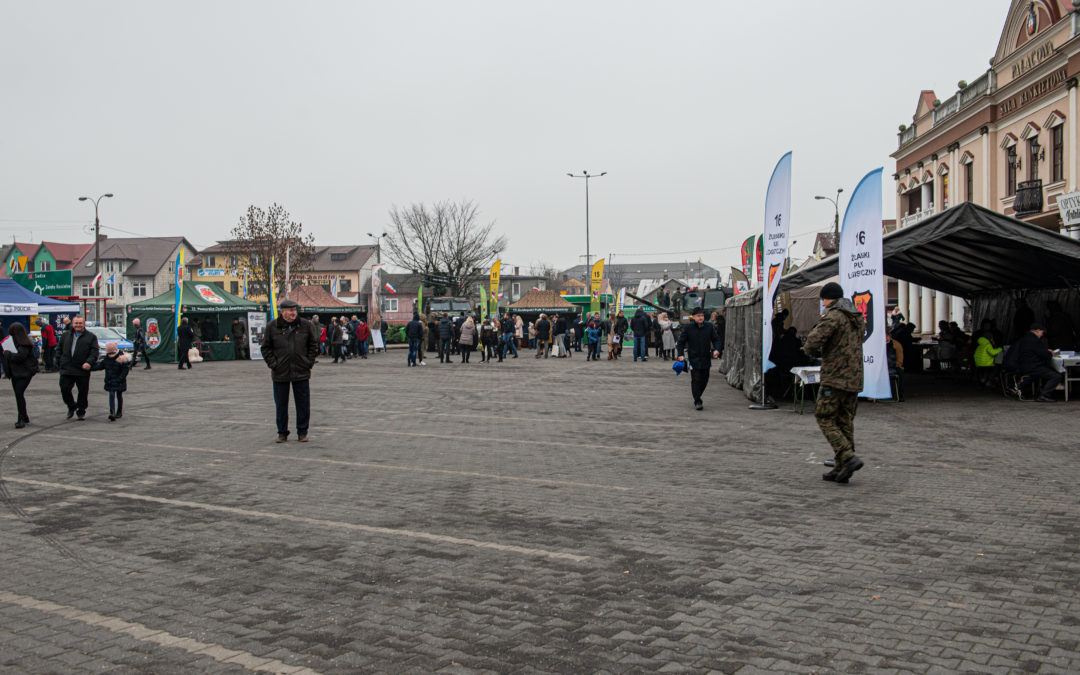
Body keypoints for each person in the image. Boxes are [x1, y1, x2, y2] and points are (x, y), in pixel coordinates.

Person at [802, 282, 865, 484]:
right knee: (845, 421)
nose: (822, 303)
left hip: (835, 376)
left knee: (824, 416)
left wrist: (812, 352)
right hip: (854, 377)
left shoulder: (834, 316)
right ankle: (842, 468)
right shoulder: (856, 317)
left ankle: (847, 456)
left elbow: (813, 341)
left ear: (829, 298)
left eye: (823, 299)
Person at [261, 299, 318, 442]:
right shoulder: (272, 326)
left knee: (303, 404)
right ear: (283, 312)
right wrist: (273, 364)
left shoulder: (305, 325)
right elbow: (265, 348)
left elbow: (313, 345)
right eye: (290, 310)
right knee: (281, 404)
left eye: (295, 310)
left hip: (301, 371)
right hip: (280, 372)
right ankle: (282, 432)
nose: (294, 313)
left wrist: (308, 362)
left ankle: (302, 432)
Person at [675, 306, 722, 410]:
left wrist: (717, 349)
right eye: (698, 316)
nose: (701, 318)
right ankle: (697, 400)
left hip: (706, 357)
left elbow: (716, 340)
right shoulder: (688, 328)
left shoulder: (709, 326)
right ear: (694, 317)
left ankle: (698, 394)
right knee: (696, 379)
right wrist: (680, 354)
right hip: (693, 358)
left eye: (702, 316)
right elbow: (681, 342)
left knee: (704, 380)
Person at [58, 315, 99, 420]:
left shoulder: (91, 337)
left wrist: (89, 362)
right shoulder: (65, 335)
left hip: (82, 369)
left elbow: (94, 352)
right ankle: (71, 406)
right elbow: (58, 349)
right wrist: (59, 361)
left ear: (84, 324)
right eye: (76, 323)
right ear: (72, 324)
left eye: (80, 323)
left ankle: (81, 410)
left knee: (83, 391)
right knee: (64, 389)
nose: (78, 325)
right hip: (67, 368)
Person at [1013, 322, 1062, 402]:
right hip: (1033, 367)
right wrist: (1050, 353)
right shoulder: (1035, 340)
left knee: (1043, 373)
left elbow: (1034, 351)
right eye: (1042, 332)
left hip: (1023, 365)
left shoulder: (1025, 339)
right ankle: (1044, 395)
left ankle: (1019, 388)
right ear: (1038, 331)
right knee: (1056, 376)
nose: (1042, 335)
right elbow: (1044, 355)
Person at [2, 322, 38, 428]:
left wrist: (8, 354)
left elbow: (20, 357)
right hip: (16, 373)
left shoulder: (24, 344)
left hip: (24, 373)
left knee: (19, 394)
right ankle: (24, 416)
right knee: (19, 394)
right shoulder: (20, 342)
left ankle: (21, 418)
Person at [92, 342, 132, 421]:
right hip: (110, 380)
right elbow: (100, 366)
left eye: (111, 353)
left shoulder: (122, 358)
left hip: (119, 381)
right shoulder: (107, 359)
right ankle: (112, 412)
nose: (110, 355)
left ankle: (119, 411)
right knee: (111, 394)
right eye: (109, 353)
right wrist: (89, 368)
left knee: (119, 395)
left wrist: (120, 379)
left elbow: (125, 371)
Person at [973, 323, 1003, 388]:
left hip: (978, 363)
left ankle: (982, 380)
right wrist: (1000, 349)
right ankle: (988, 382)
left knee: (982, 372)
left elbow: (975, 354)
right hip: (986, 363)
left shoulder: (980, 345)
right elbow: (992, 352)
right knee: (993, 369)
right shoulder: (988, 345)